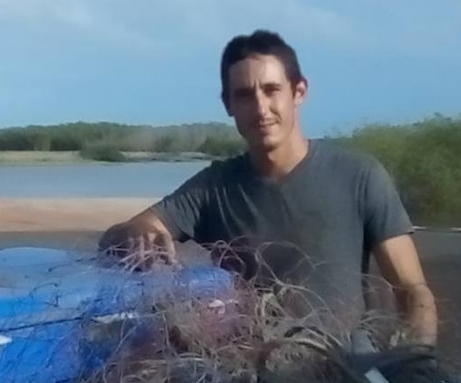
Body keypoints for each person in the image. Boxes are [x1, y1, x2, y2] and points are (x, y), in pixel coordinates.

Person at [99, 29, 437, 346]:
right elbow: (130, 231)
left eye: (272, 90)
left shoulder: (360, 176)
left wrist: (417, 357)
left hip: (345, 364)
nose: (261, 108)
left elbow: (412, 289)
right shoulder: (215, 187)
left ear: (298, 91)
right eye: (245, 96)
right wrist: (135, 236)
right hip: (251, 373)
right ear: (228, 105)